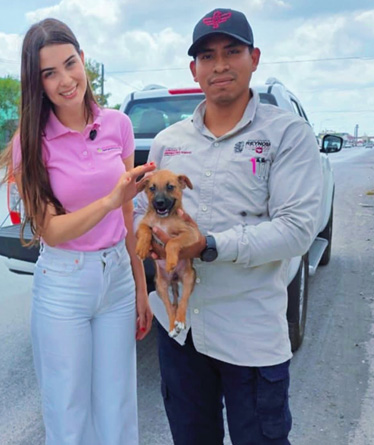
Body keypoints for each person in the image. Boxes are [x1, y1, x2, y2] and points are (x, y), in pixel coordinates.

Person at [133, 8, 323, 444]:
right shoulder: (167, 143)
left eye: (232, 51)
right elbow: (144, 211)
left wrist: (210, 245)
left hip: (249, 334)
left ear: (254, 58)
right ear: (194, 69)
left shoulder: (287, 134)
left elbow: (297, 229)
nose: (219, 65)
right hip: (180, 335)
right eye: (207, 56)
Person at [0, 18, 155, 444]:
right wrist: (109, 200)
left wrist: (140, 286)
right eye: (49, 73)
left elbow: (127, 216)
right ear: (37, 83)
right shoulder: (30, 143)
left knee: (118, 408)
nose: (66, 81)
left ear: (83, 59)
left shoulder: (118, 125)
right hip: (65, 283)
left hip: (117, 278)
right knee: (68, 413)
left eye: (70, 64)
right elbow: (51, 230)